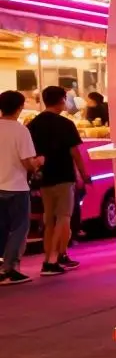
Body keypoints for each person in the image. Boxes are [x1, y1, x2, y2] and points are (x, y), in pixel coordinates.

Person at [27, 85, 91, 276]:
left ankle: (52, 257)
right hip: (63, 176)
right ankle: (52, 260)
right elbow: (75, 153)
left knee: (49, 220)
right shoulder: (66, 124)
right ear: (62, 100)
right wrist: (84, 174)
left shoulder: (33, 124)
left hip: (44, 177)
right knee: (63, 217)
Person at [0, 91, 44, 286]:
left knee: (1, 228)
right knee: (19, 228)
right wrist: (39, 162)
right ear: (19, 107)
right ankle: (9, 269)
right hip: (16, 187)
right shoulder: (20, 131)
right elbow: (27, 162)